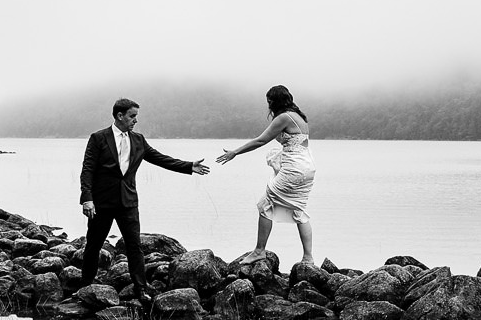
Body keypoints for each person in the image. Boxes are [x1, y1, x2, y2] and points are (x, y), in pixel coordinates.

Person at [80, 98, 209, 297]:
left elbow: (159, 158)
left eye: (136, 117)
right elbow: (87, 169)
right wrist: (87, 198)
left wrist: (188, 166)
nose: (135, 121)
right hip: (101, 203)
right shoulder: (98, 138)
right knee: (93, 245)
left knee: (134, 246)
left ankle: (141, 289)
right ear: (119, 115)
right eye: (132, 116)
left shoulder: (138, 140)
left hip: (128, 202)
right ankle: (86, 286)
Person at [215, 85, 316, 265]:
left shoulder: (284, 117)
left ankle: (259, 251)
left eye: (269, 101)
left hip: (294, 169)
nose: (268, 105)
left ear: (274, 101)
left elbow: (261, 140)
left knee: (265, 205)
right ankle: (308, 258)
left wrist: (235, 152)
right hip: (307, 168)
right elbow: (296, 145)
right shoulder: (299, 117)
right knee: (298, 210)